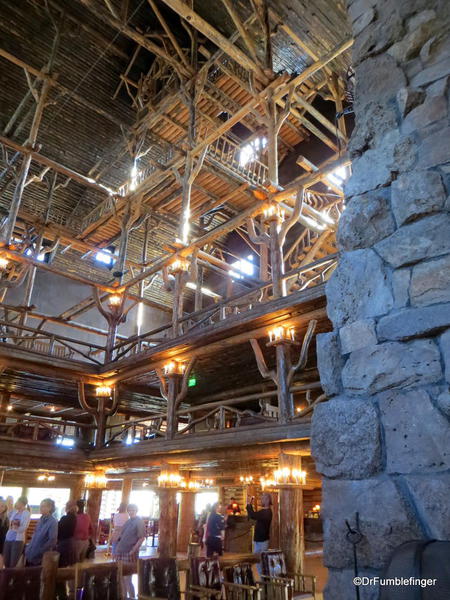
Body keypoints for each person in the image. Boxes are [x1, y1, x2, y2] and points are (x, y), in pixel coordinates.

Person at [113, 504, 146, 599]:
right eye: (129, 510)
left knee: (128, 578)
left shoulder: (139, 522)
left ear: (136, 510)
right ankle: (123, 596)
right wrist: (115, 551)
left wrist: (133, 550)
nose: (131, 512)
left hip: (130, 552)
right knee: (121, 577)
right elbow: (121, 536)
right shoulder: (128, 521)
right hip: (121, 551)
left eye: (133, 510)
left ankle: (131, 597)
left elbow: (141, 538)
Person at [25, 498, 58, 566]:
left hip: (39, 557)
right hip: (30, 553)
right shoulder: (41, 519)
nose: (40, 508)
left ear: (50, 508)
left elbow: (52, 540)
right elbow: (35, 534)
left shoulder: (53, 522)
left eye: (43, 506)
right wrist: (28, 548)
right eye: (40, 506)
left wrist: (40, 551)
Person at [3, 495, 31, 567]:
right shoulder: (14, 511)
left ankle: (11, 577)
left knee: (12, 563)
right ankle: (6, 577)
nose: (16, 504)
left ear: (22, 504)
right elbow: (7, 516)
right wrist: (9, 505)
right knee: (5, 561)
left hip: (17, 541)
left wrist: (15, 528)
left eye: (17, 502)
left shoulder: (26, 513)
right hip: (8, 538)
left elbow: (24, 527)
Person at [246, 493, 272, 564]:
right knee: (259, 562)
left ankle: (262, 575)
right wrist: (249, 504)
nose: (261, 500)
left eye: (263, 499)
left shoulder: (266, 512)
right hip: (260, 540)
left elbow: (252, 515)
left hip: (262, 541)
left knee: (260, 562)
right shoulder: (265, 511)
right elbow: (253, 515)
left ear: (267, 500)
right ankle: (262, 575)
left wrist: (249, 504)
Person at [57, 500, 77, 567]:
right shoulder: (75, 517)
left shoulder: (64, 518)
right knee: (66, 562)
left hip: (63, 541)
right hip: (70, 541)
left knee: (61, 562)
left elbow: (58, 529)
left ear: (67, 508)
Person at [0, 497, 9, 568]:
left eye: (2, 506)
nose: (0, 508)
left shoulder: (6, 519)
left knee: (1, 560)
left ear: (5, 508)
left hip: (1, 542)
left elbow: (4, 534)